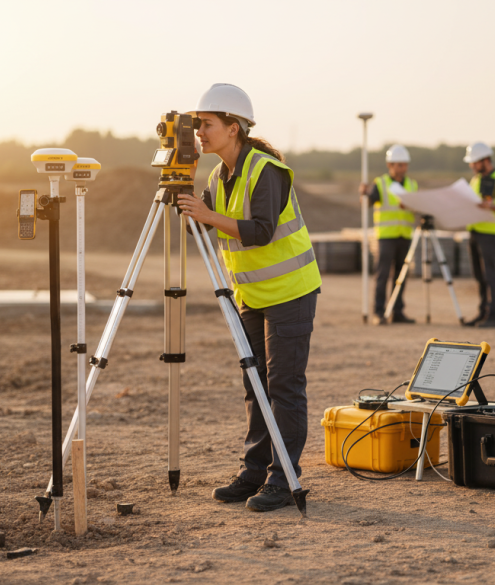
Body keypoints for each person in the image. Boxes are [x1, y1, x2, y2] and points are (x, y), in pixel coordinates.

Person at [176, 83, 322, 512]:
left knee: (283, 387)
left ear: (234, 128)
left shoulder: (266, 170)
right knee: (254, 384)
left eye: (206, 125)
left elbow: (260, 231)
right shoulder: (218, 175)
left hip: (290, 293)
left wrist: (206, 215)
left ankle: (284, 478)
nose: (199, 133)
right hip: (252, 296)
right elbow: (199, 226)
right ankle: (254, 471)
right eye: (197, 126)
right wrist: (183, 192)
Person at [358, 145, 417, 324]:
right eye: (398, 165)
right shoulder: (381, 183)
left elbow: (418, 206)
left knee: (401, 275)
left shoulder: (412, 185)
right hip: (386, 236)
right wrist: (363, 195)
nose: (402, 168)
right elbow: (367, 203)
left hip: (405, 235)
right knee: (383, 274)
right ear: (390, 165)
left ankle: (397, 312)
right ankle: (379, 312)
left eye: (404, 164)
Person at [462, 141, 495, 328]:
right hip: (475, 231)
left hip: (491, 234)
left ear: (485, 160)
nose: (472, 166)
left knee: (490, 275)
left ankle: (493, 316)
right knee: (479, 276)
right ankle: (482, 313)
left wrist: (490, 206)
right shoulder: (475, 180)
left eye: (474, 162)